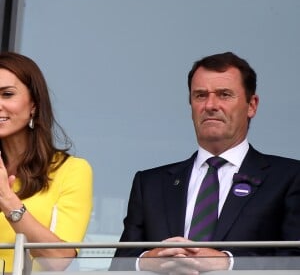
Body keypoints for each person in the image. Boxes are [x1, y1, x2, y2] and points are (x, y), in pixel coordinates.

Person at [111, 52, 300, 273]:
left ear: (252, 105)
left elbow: (294, 260)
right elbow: (119, 266)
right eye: (200, 95)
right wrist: (148, 260)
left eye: (224, 95)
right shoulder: (150, 183)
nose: (210, 105)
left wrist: (227, 262)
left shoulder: (288, 178)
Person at [0, 52, 93, 272]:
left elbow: (58, 259)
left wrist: (7, 199)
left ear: (34, 104)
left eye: (7, 94)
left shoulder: (71, 171)